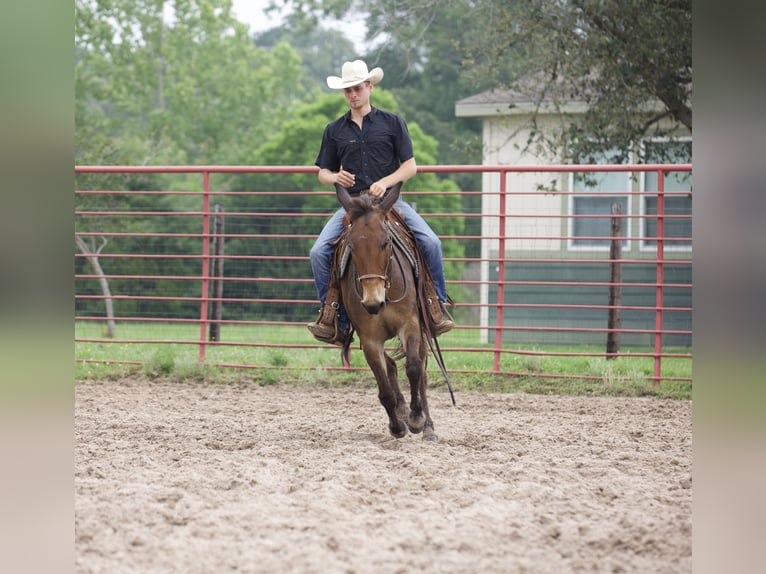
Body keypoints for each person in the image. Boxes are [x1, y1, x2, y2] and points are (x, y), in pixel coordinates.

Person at [307, 59, 454, 345]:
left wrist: (385, 182)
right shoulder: (334, 130)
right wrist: (335, 176)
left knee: (431, 241)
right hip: (351, 206)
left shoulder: (392, 122)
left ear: (369, 87)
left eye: (358, 88)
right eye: (348, 90)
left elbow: (410, 166)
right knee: (318, 252)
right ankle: (331, 313)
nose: (353, 94)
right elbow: (322, 173)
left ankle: (436, 304)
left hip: (389, 203)